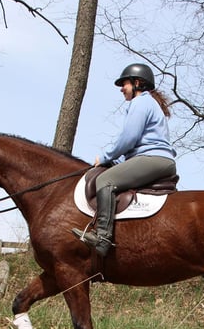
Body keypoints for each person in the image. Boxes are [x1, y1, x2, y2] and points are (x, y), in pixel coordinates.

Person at [72, 63, 176, 257]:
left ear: (137, 83)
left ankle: (102, 237)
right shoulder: (147, 103)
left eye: (124, 84)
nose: (121, 88)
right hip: (152, 158)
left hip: (153, 158)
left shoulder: (140, 103)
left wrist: (105, 157)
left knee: (105, 180)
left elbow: (128, 138)